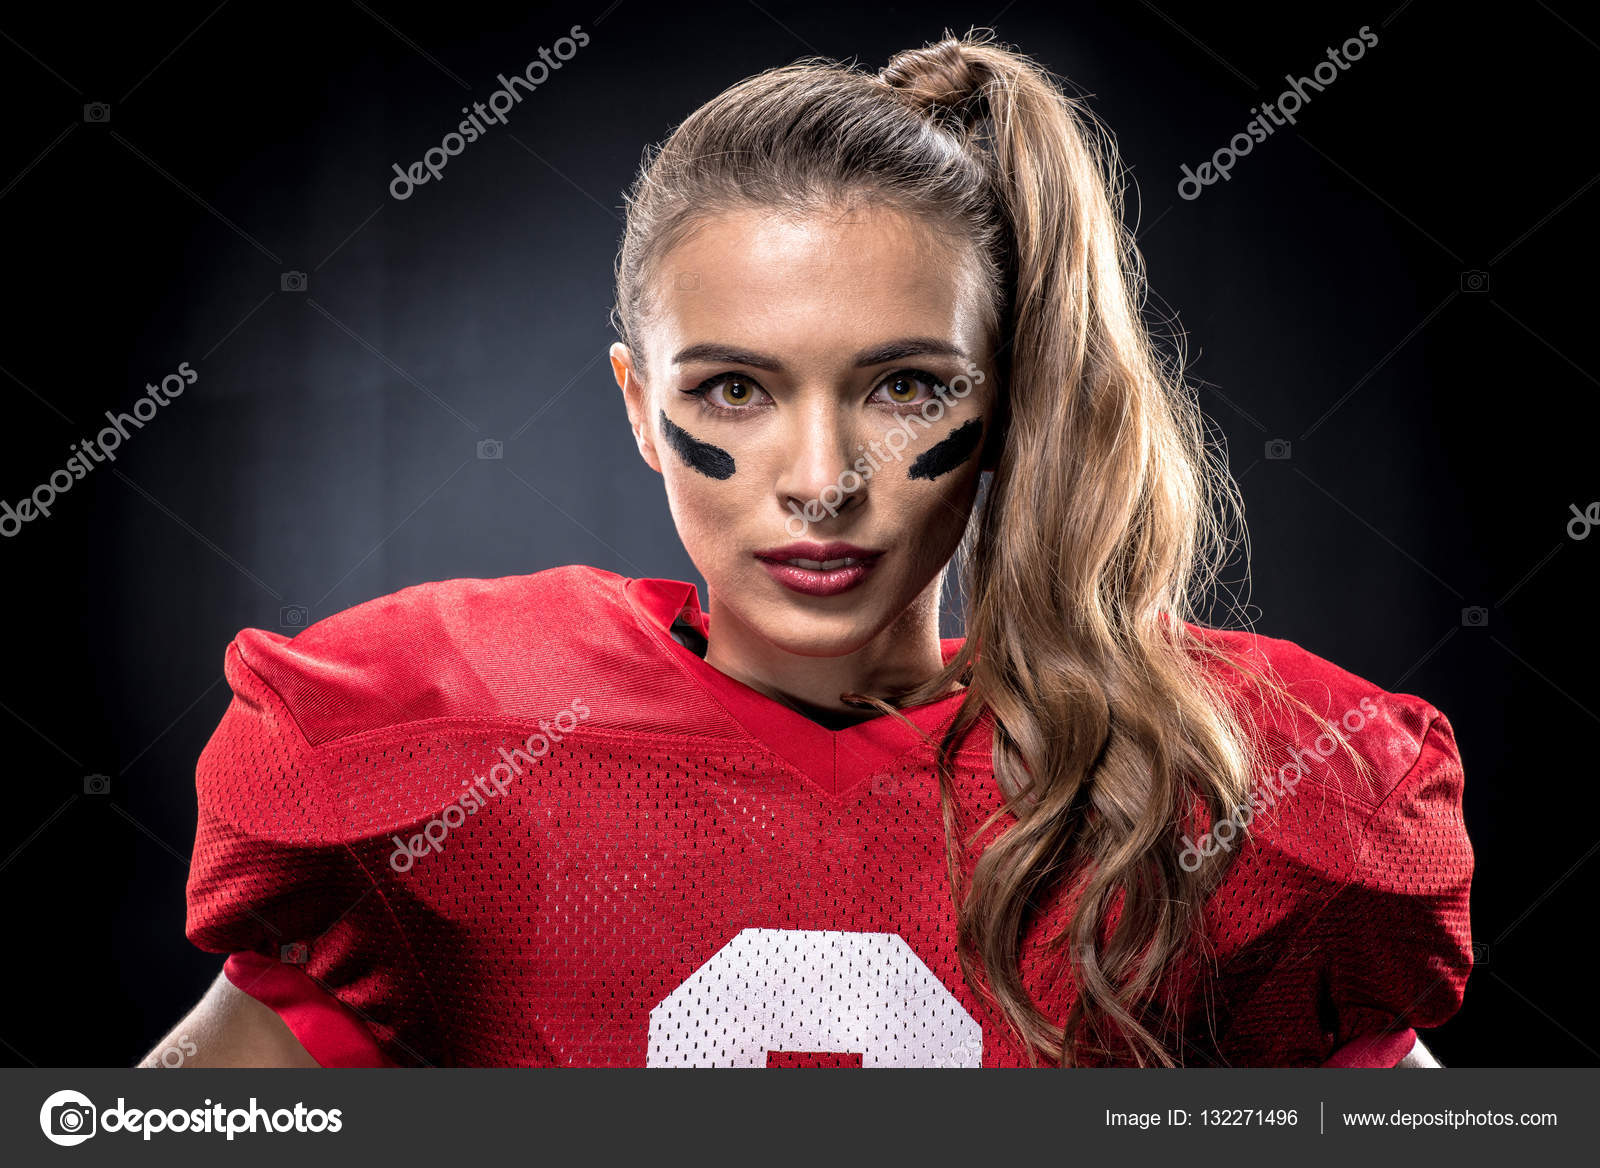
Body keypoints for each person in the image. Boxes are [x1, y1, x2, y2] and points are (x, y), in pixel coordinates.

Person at [143, 30, 1471, 1069]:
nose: (823, 483)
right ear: (637, 408)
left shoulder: (1206, 785)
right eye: (734, 389)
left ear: (1003, 399)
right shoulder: (444, 756)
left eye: (905, 387)